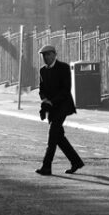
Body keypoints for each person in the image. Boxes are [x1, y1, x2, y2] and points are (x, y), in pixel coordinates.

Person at [35, 43, 84, 175]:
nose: (45, 58)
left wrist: (51, 101)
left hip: (63, 106)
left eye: (47, 55)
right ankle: (76, 162)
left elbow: (65, 90)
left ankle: (46, 166)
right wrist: (44, 100)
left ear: (54, 55)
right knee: (59, 138)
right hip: (51, 108)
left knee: (52, 136)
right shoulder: (42, 71)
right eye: (43, 56)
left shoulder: (63, 68)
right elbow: (42, 89)